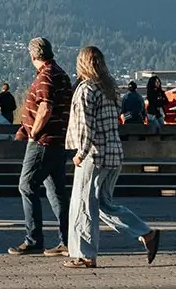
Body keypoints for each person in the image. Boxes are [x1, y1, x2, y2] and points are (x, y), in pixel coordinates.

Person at [62, 45, 161, 269]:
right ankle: (146, 234)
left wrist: (80, 153)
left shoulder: (86, 89)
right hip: (114, 153)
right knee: (103, 204)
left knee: (83, 205)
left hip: (94, 156)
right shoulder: (110, 87)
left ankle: (85, 255)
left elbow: (87, 127)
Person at [8, 37, 74, 257]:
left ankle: (34, 239)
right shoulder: (61, 74)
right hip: (59, 141)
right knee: (56, 193)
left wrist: (34, 133)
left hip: (44, 142)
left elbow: (45, 107)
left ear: (33, 55)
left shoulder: (45, 76)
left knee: (26, 186)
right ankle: (67, 240)